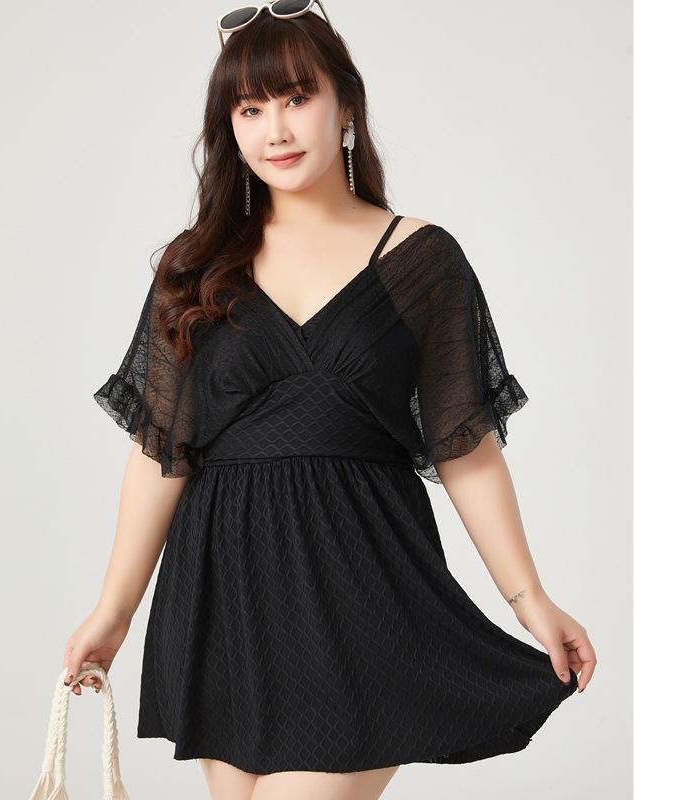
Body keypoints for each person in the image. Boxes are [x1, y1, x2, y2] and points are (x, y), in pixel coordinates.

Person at [62, 2, 597, 798]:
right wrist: (114, 611)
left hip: (358, 585)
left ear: (346, 105)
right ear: (229, 127)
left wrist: (529, 599)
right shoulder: (195, 267)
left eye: (296, 97)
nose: (275, 130)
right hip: (223, 591)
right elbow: (158, 452)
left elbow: (465, 447)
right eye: (249, 109)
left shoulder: (420, 258)